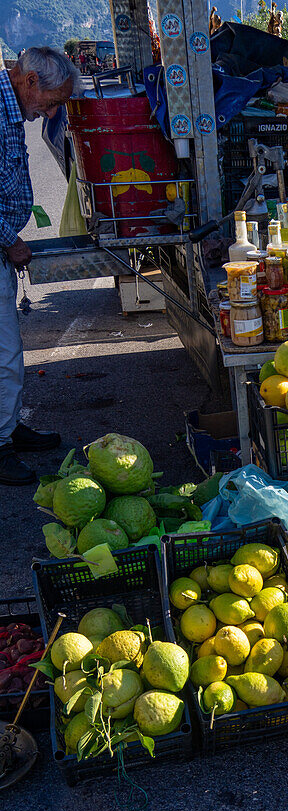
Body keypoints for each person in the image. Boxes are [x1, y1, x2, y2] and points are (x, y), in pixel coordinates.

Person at [0, 47, 81, 486]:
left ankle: (8, 427)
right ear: (30, 81)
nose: (49, 113)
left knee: (7, 352)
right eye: (51, 102)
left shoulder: (11, 103)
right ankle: (0, 444)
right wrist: (10, 240)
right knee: (4, 355)